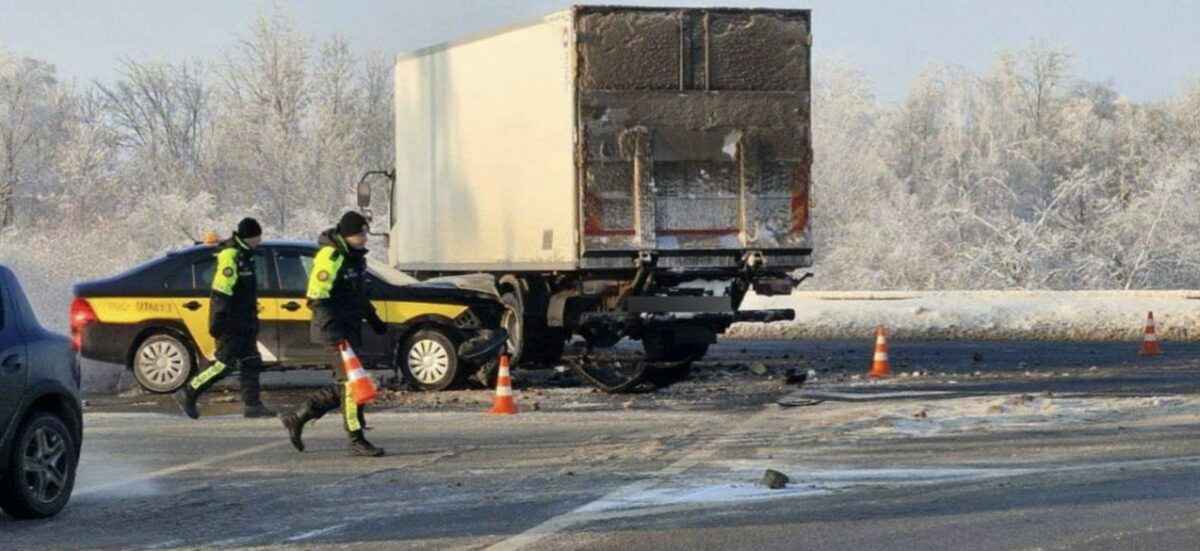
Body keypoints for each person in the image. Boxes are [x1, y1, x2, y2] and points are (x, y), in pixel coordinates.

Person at [281, 211, 388, 457]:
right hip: (333, 329)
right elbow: (317, 297)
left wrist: (375, 320)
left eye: (365, 232)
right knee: (352, 385)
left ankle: (298, 417)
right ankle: (356, 438)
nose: (365, 237)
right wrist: (334, 331)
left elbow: (358, 295)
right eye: (361, 233)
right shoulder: (331, 256)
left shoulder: (355, 258)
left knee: (345, 384)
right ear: (349, 234)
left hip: (349, 327)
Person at [174, 218, 275, 419]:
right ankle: (189, 391)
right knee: (224, 364)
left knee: (252, 361)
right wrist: (218, 320)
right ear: (251, 237)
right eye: (258, 236)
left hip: (246, 321)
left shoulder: (247, 255)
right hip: (231, 321)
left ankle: (253, 405)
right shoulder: (231, 256)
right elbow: (221, 291)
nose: (261, 240)